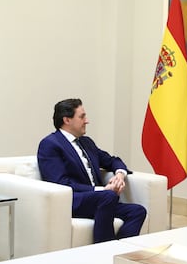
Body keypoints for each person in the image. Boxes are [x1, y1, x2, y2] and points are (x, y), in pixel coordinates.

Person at [37, 98, 146, 243]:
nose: (86, 121)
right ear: (67, 120)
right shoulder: (50, 145)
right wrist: (101, 190)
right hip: (74, 200)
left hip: (100, 200)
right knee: (108, 196)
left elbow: (112, 160)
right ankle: (103, 250)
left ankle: (119, 252)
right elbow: (61, 183)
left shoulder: (86, 142)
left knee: (137, 211)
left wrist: (119, 175)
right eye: (82, 117)